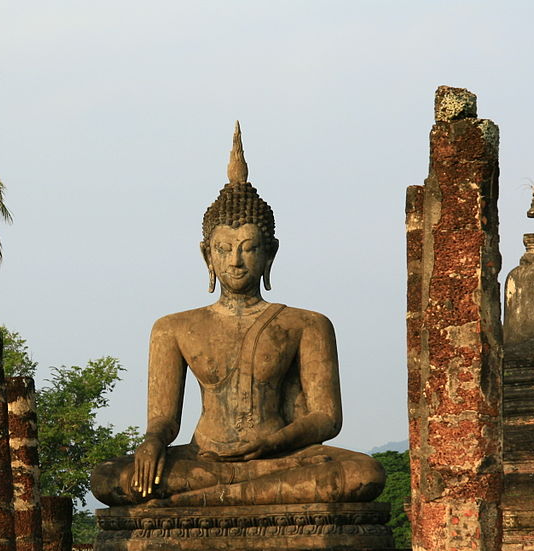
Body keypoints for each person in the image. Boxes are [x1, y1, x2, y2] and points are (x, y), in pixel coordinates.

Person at [91, 124, 385, 508]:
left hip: (281, 459)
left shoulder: (306, 324)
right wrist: (151, 443)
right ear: (206, 254)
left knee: (364, 474)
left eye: (248, 248)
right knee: (109, 478)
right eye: (224, 248)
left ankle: (202, 501)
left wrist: (272, 443)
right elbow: (165, 419)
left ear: (270, 253)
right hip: (204, 459)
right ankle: (230, 495)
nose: (235, 261)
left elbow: (327, 418)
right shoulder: (173, 328)